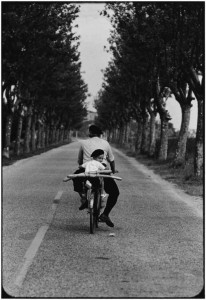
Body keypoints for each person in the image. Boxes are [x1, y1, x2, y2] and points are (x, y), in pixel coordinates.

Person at [73, 124, 120, 227]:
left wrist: (83, 165)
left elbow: (80, 161)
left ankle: (84, 197)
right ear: (100, 134)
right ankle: (105, 214)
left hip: (87, 171)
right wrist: (111, 171)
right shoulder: (105, 143)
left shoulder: (83, 143)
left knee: (76, 179)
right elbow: (111, 160)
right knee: (115, 192)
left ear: (90, 133)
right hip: (102, 172)